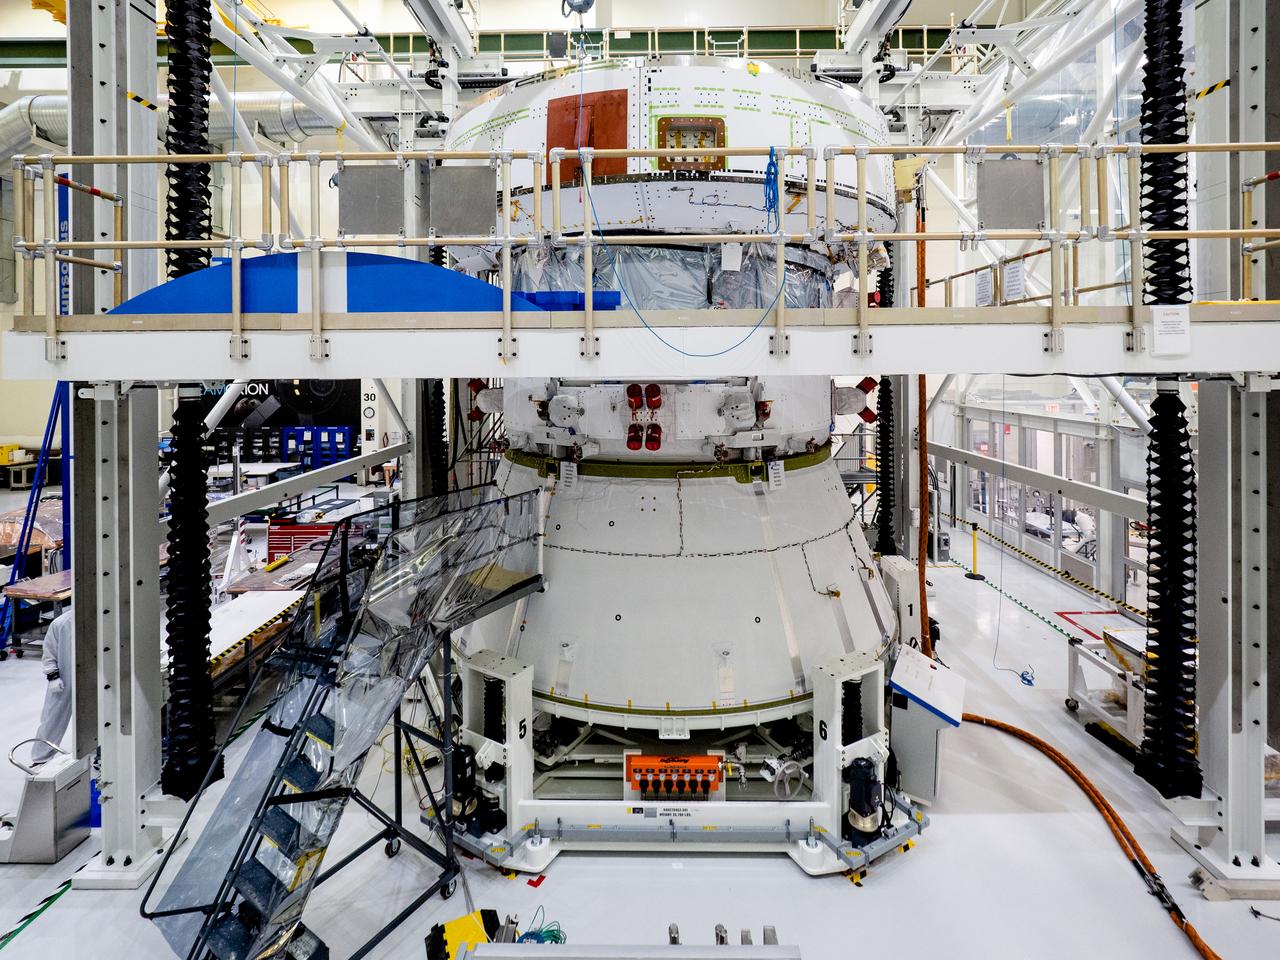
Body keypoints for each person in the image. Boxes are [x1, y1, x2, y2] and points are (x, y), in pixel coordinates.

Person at [32, 608, 74, 765]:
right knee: (53, 717)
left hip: (92, 677)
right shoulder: (61, 624)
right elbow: (49, 653)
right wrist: (53, 676)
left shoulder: (102, 618)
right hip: (65, 678)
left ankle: (96, 752)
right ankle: (40, 758)